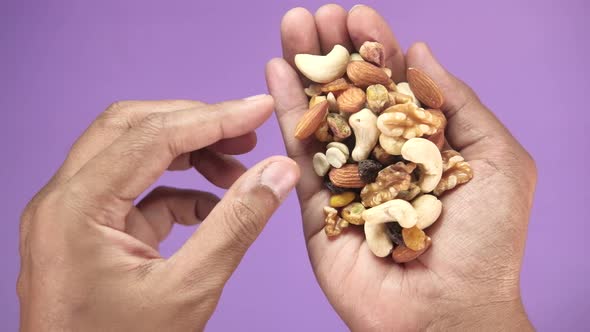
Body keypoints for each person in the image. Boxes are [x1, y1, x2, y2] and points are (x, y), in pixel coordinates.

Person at [17, 5, 536, 331]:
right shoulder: (359, 132)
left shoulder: (389, 153)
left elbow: (379, 166)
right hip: (369, 173)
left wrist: (461, 311)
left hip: (384, 180)